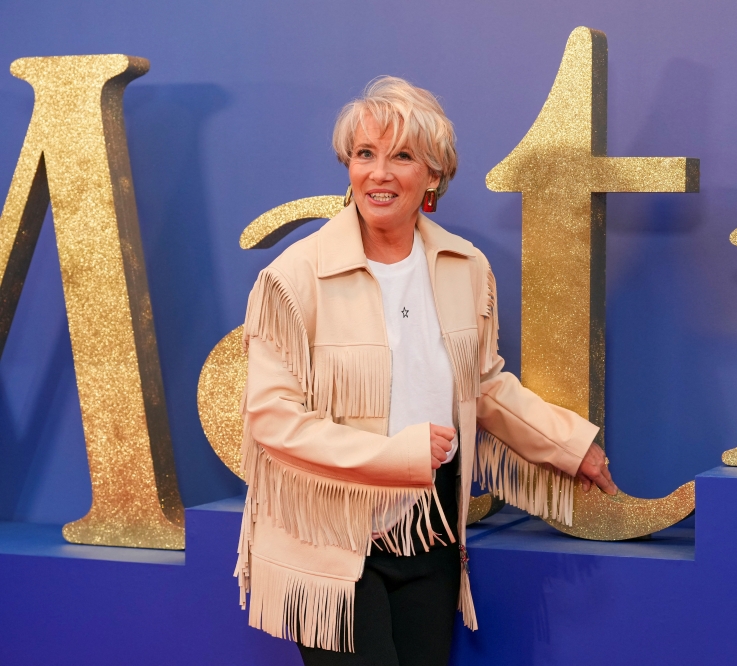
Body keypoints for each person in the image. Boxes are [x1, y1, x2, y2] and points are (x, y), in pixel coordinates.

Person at [235, 76, 617, 666]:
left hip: (430, 529)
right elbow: (272, 419)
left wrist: (571, 446)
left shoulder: (465, 267)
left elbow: (483, 385)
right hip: (332, 540)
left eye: (402, 157)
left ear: (433, 175)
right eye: (365, 155)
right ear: (348, 166)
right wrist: (399, 455)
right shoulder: (294, 276)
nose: (379, 174)